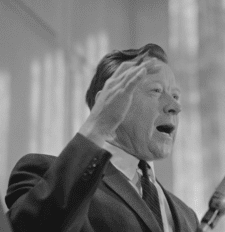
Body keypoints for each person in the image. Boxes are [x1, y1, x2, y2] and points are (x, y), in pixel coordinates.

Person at [5, 44, 199, 232]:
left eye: (175, 95)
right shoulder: (44, 175)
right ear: (107, 101)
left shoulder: (187, 217)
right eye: (156, 90)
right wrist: (98, 125)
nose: (175, 106)